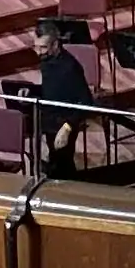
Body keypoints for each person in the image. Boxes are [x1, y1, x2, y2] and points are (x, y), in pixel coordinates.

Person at [33, 21, 92, 178]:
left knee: (63, 167)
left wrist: (67, 128)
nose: (38, 52)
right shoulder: (46, 61)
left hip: (65, 123)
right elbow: (53, 90)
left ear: (55, 44)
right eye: (36, 47)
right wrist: (33, 92)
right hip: (50, 120)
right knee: (56, 163)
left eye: (43, 47)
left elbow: (86, 102)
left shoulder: (70, 67)